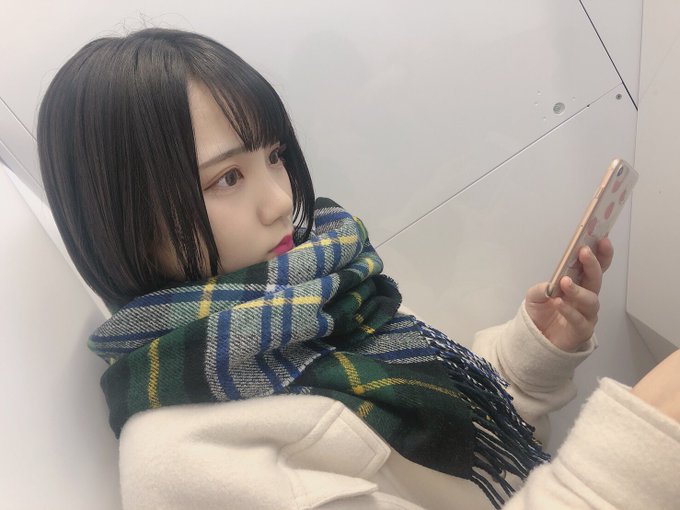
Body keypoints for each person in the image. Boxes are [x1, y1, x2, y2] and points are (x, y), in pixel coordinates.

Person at [36, 27, 679, 510]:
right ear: (119, 218)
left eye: (274, 156)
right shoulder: (183, 463)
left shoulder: (320, 301)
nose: (280, 201)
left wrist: (534, 355)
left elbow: (453, 461)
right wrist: (635, 453)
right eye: (226, 178)